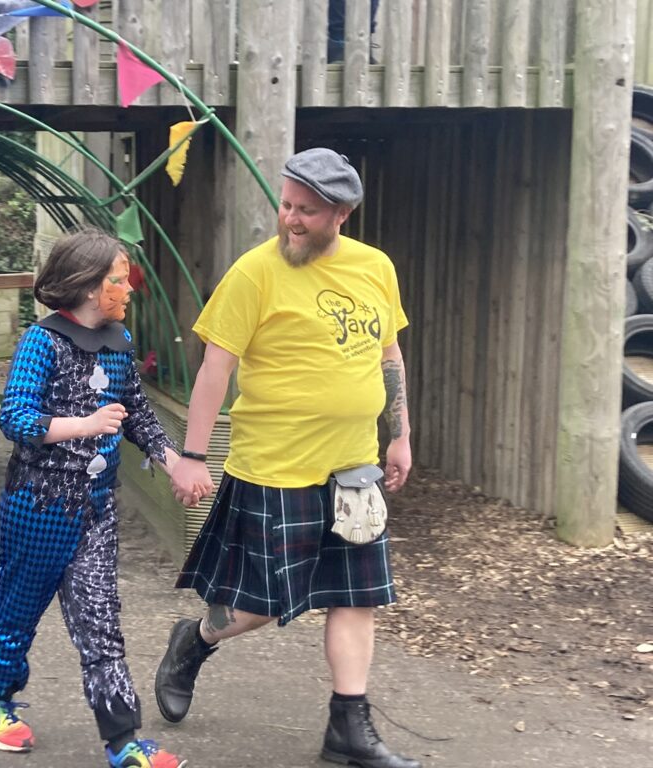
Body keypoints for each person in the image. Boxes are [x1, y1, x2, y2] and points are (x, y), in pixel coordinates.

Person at [154, 148, 420, 768]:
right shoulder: (255, 274)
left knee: (356, 596)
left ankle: (348, 729)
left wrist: (400, 434)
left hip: (353, 468)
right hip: (274, 467)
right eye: (287, 205)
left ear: (342, 214)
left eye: (307, 211)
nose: (291, 220)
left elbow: (389, 356)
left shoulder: (375, 268)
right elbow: (214, 370)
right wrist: (193, 455)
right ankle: (195, 640)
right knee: (259, 604)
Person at [0, 228, 186, 768]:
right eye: (120, 280)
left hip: (96, 508)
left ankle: (123, 742)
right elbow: (14, 418)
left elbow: (136, 411)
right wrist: (85, 424)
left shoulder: (119, 343)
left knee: (100, 620)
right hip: (38, 505)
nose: (129, 289)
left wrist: (172, 460)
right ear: (91, 287)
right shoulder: (41, 342)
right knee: (18, 610)